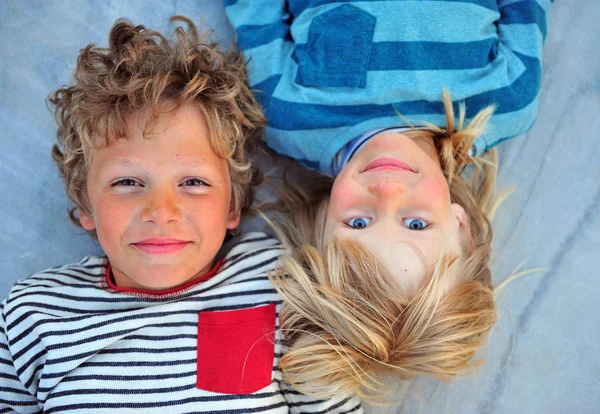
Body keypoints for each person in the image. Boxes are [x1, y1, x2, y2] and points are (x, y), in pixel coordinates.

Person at [0, 17, 361, 413]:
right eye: (126, 182)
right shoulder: (33, 313)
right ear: (86, 205)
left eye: (193, 182)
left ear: (232, 205)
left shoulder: (282, 282)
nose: (161, 212)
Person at [224, 0, 552, 401]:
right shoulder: (506, 99)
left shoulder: (286, 115)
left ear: (323, 219)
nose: (387, 190)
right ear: (461, 225)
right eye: (416, 224)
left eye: (358, 223)